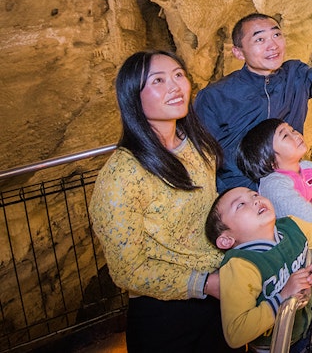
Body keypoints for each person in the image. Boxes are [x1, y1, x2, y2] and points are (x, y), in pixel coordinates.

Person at [89, 50, 235, 353]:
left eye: (179, 75)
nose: (175, 86)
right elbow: (127, 271)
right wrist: (205, 284)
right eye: (158, 80)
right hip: (167, 315)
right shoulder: (122, 175)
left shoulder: (197, 145)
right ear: (133, 97)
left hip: (218, 295)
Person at [195, 12, 312, 192]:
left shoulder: (295, 76)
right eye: (260, 40)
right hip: (242, 199)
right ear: (238, 52)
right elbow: (201, 158)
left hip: (290, 186)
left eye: (276, 35)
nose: (272, 45)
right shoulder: (215, 97)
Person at [205, 187, 312, 352]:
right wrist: (283, 297)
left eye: (254, 194)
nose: (255, 200)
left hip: (310, 321)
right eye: (240, 205)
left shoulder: (292, 226)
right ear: (226, 240)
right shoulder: (240, 266)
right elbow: (236, 332)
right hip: (277, 346)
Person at [238, 118, 312, 241]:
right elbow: (305, 215)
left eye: (292, 130)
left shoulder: (307, 168)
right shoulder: (274, 186)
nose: (296, 135)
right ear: (268, 160)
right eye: (285, 135)